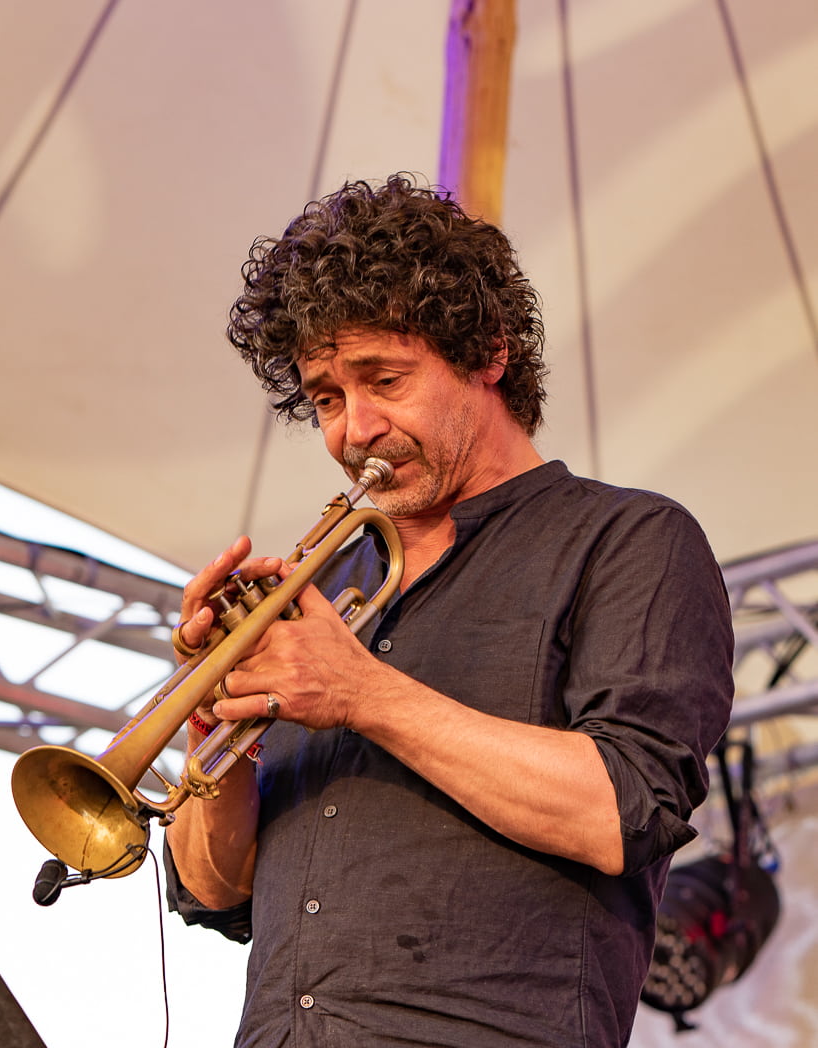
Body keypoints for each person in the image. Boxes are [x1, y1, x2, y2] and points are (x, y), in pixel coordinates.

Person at [164, 174, 734, 1047]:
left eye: (384, 380)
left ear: (488, 353)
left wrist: (363, 694)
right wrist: (218, 718)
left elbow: (624, 809)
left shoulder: (629, 540)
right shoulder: (321, 597)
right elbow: (215, 889)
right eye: (326, 398)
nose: (353, 429)